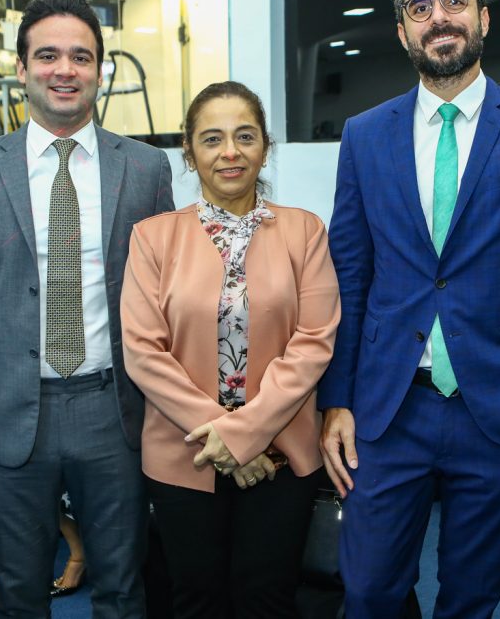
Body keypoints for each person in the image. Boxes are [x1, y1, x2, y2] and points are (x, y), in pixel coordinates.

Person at [317, 0, 500, 618]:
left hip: (496, 405)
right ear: (404, 31)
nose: (439, 17)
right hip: (388, 406)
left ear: (483, 17)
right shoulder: (364, 136)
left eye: (454, 0)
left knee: (471, 596)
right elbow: (348, 273)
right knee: (370, 590)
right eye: (420, 7)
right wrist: (337, 400)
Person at [0, 0, 174, 618]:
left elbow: (171, 297)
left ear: (100, 71)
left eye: (81, 57)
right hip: (5, 417)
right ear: (22, 68)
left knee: (123, 592)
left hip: (117, 414)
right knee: (19, 597)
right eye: (48, 55)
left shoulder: (145, 168)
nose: (65, 69)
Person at [121, 80, 341, 618]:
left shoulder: (304, 231)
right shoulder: (153, 237)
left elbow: (314, 342)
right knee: (195, 599)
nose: (230, 152)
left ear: (265, 147)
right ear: (189, 153)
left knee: (267, 598)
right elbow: (144, 352)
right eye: (212, 138)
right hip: (185, 453)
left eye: (245, 136)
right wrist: (223, 437)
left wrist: (245, 435)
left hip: (281, 456)